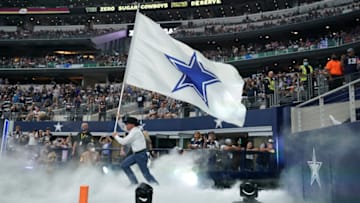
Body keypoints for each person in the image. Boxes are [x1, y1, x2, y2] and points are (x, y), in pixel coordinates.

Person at [112, 116, 159, 185]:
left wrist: (116, 136)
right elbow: (124, 128)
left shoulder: (135, 132)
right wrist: (119, 120)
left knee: (146, 174)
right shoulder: (134, 130)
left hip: (140, 155)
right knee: (124, 165)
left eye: (127, 124)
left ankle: (156, 185)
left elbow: (123, 142)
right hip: (136, 154)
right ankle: (134, 182)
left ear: (132, 125)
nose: (126, 125)